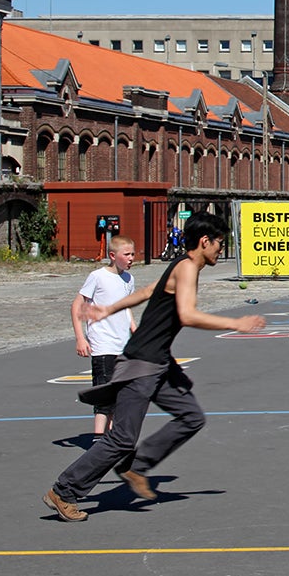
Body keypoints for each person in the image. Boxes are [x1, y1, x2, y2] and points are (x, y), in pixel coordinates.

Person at [43, 212, 266, 522]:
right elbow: (187, 315)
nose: (220, 248)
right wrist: (236, 323)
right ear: (205, 241)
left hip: (159, 361)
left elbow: (148, 292)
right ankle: (64, 491)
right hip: (142, 363)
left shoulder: (181, 266)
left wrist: (109, 308)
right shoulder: (186, 268)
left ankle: (137, 466)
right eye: (219, 243)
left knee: (191, 416)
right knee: (122, 438)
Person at [70, 236, 139, 440]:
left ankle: (111, 438)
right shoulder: (97, 277)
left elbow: (125, 308)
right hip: (103, 345)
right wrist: (80, 338)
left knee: (120, 395)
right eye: (126, 254)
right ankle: (98, 438)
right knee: (104, 396)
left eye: (133, 254)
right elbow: (77, 306)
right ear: (112, 255)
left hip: (122, 346)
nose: (131, 258)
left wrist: (135, 330)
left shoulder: (128, 279)